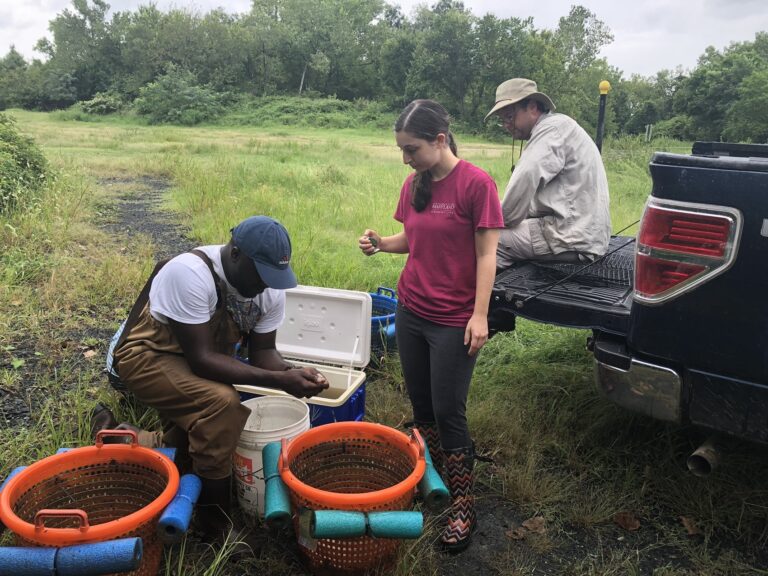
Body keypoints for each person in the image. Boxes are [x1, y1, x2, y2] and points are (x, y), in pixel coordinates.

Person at [101, 215, 328, 542]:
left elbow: (263, 354)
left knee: (207, 433)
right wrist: (281, 382)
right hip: (148, 356)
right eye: (261, 274)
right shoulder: (191, 273)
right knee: (222, 405)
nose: (266, 284)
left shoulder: (269, 290)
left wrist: (293, 372)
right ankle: (213, 524)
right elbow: (203, 361)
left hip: (195, 359)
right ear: (235, 253)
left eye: (274, 276)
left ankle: (127, 442)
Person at [359, 99, 503, 552]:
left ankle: (463, 504)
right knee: (421, 405)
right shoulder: (414, 184)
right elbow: (414, 238)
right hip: (411, 309)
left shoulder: (477, 185)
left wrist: (479, 315)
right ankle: (434, 476)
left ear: (440, 140)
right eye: (401, 149)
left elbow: (487, 255)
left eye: (412, 149)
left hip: (452, 320)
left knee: (448, 410)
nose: (406, 158)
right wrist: (383, 244)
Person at [485, 78, 611, 268]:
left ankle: (479, 296)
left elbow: (526, 176)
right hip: (582, 232)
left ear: (533, 107)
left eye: (509, 117)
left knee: (486, 239)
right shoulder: (560, 127)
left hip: (570, 235)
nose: (506, 125)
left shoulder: (551, 130)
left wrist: (490, 219)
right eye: (502, 120)